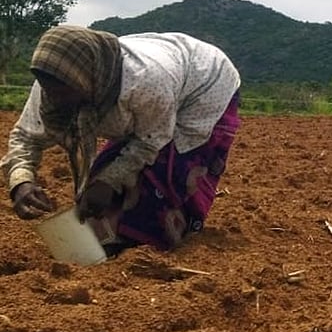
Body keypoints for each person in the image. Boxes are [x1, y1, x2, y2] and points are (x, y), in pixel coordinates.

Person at [3, 25, 241, 256]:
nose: (54, 99)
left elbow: (151, 141)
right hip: (160, 92)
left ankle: (158, 237)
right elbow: (25, 135)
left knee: (164, 173)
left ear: (88, 78)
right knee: (102, 183)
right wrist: (21, 182)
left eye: (62, 92)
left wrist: (109, 182)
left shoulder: (144, 81)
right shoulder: (54, 78)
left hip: (205, 86)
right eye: (49, 90)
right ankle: (109, 237)